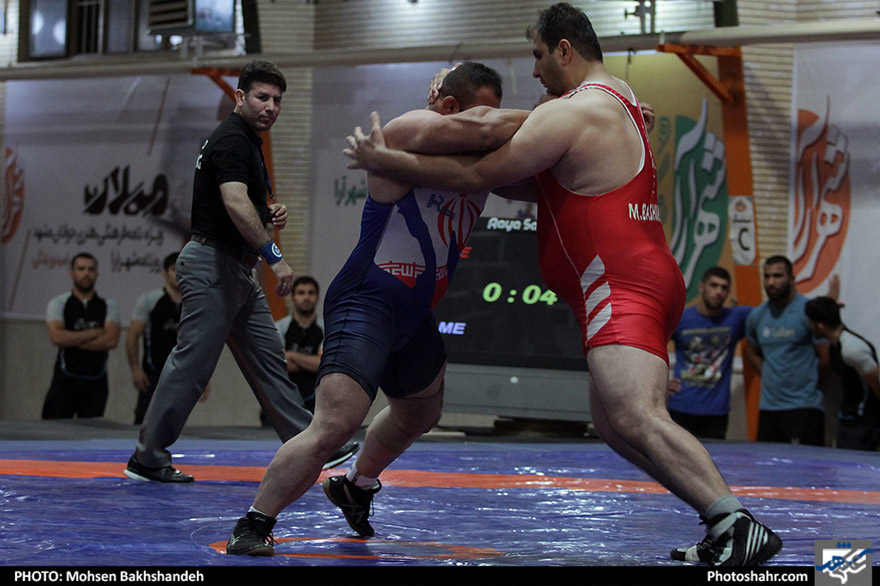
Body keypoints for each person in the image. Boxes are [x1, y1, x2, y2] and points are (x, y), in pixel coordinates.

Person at [340, 3, 781, 567]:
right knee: (614, 425)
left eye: (538, 56)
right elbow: (519, 179)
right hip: (640, 275)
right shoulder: (616, 98)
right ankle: (721, 523)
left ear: (564, 50)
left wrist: (388, 160)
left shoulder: (578, 109)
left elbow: (480, 170)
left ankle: (735, 521)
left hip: (617, 283)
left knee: (635, 416)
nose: (535, 70)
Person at [224, 61, 530, 555]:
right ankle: (254, 523)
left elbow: (544, 169)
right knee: (334, 425)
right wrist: (575, 108)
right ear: (451, 108)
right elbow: (490, 129)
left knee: (420, 412)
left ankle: (356, 485)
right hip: (366, 301)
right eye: (483, 114)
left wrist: (607, 124)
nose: (492, 125)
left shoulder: (482, 162)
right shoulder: (407, 130)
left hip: (413, 312)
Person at [124, 60, 358, 483]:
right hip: (214, 265)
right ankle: (148, 457)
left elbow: (235, 202)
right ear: (239, 97)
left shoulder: (245, 141)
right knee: (192, 365)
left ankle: (308, 442)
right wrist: (274, 254)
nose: (271, 107)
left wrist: (267, 212)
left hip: (234, 269)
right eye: (262, 97)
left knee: (268, 360)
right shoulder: (233, 139)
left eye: (277, 100)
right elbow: (233, 203)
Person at [744, 255, 829, 447]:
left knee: (806, 465)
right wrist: (768, 373)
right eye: (767, 276)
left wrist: (810, 382)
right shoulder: (757, 315)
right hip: (769, 408)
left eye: (777, 276)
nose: (771, 282)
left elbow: (826, 357)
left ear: (792, 278)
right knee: (765, 464)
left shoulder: (808, 311)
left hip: (804, 407)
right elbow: (752, 351)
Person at [667, 267, 752, 440]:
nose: (718, 292)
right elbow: (651, 345)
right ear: (702, 287)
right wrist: (661, 382)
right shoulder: (682, 318)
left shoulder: (736, 317)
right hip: (681, 406)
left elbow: (769, 312)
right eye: (713, 285)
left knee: (713, 457)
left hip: (715, 411)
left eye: (724, 287)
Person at [127, 252, 209, 425]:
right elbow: (133, 335)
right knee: (144, 422)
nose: (179, 273)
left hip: (183, 375)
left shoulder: (196, 303)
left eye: (184, 268)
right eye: (174, 269)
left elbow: (202, 342)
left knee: (174, 425)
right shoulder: (149, 300)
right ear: (165, 273)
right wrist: (135, 369)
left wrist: (203, 378)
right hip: (153, 374)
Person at [43, 252, 121, 419]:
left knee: (91, 431)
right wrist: (94, 333)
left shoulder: (109, 305)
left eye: (91, 269)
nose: (86, 273)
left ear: (97, 274)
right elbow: (57, 337)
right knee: (54, 429)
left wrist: (71, 339)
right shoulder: (59, 303)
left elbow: (110, 341)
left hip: (96, 382)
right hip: (64, 380)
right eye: (81, 269)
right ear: (72, 273)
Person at [804, 296, 880, 451]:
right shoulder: (835, 346)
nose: (809, 327)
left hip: (863, 425)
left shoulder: (852, 349)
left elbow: (877, 383)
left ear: (820, 325)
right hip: (850, 421)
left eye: (811, 322)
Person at [260, 275, 324, 424]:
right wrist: (309, 362)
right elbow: (276, 365)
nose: (306, 297)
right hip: (280, 401)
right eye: (301, 293)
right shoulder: (278, 327)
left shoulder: (325, 329)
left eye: (311, 293)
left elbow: (322, 364)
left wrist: (291, 355)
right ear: (293, 298)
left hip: (316, 404)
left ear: (317, 298)